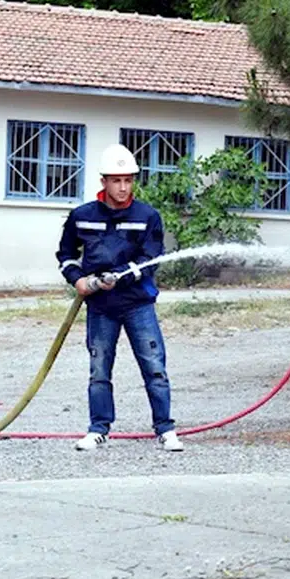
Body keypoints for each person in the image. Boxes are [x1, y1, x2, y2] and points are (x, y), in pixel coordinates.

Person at [56, 144, 183, 452]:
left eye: (128, 180)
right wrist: (79, 279)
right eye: (117, 180)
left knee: (154, 367)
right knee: (99, 369)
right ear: (104, 182)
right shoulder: (82, 216)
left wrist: (120, 276)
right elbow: (66, 255)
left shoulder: (147, 216)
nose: (123, 187)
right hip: (101, 308)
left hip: (138, 305)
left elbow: (151, 258)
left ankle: (165, 430)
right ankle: (98, 429)